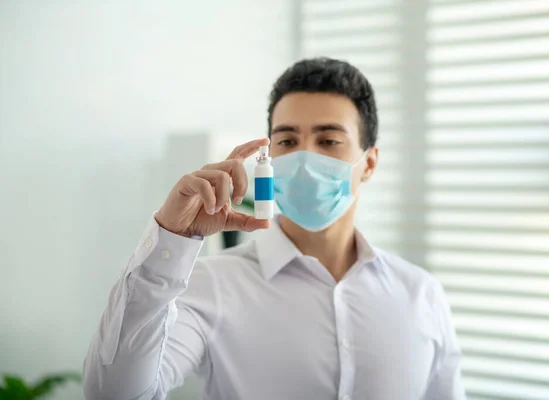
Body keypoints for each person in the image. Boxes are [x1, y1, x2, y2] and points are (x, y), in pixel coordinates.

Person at [83, 58, 466, 400]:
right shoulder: (209, 285)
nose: (304, 158)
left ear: (369, 163)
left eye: (328, 140)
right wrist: (170, 239)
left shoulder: (421, 295)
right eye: (287, 140)